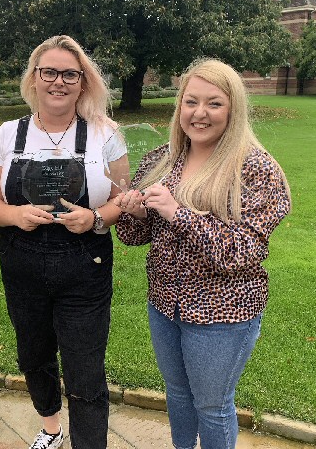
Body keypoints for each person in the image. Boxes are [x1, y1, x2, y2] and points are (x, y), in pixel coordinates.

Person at [115, 59, 291, 449]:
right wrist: (137, 212)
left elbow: (242, 250)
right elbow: (134, 236)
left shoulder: (256, 169)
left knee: (212, 405)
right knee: (177, 394)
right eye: (190, 102)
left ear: (234, 109)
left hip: (222, 314)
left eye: (214, 103)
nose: (199, 113)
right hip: (164, 306)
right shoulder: (164, 160)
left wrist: (177, 213)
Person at [0, 35, 123, 449]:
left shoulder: (105, 133)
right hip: (22, 262)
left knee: (85, 368)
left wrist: (95, 218)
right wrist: (15, 215)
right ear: (34, 79)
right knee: (33, 355)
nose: (58, 82)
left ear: (83, 82)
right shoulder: (9, 135)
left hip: (85, 266)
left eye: (69, 74)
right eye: (49, 72)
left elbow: (123, 200)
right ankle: (52, 428)